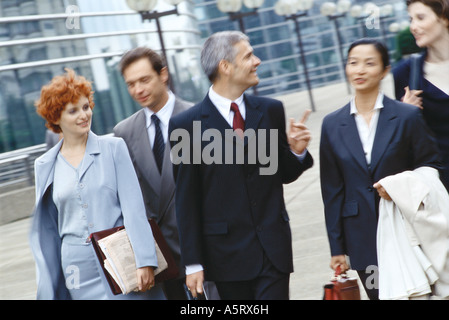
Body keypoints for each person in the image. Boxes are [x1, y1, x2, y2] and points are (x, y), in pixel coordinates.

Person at [168, 31, 314, 300]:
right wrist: (193, 263)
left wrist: (296, 152)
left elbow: (280, 173)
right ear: (225, 66)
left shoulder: (270, 110)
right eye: (248, 56)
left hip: (273, 251)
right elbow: (186, 200)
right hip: (226, 258)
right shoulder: (185, 127)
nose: (257, 61)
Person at [319, 38, 441, 300]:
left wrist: (399, 185)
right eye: (353, 63)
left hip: (407, 231)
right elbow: (332, 191)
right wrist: (336, 248)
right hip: (362, 239)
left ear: (385, 70)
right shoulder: (331, 125)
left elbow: (431, 165)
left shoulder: (406, 116)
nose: (360, 70)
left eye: (369, 63)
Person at [29, 68, 166, 300]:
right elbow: (48, 226)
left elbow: (134, 209)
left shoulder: (114, 148)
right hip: (75, 268)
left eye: (86, 107)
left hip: (119, 257)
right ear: (55, 118)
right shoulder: (44, 164)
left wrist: (145, 260)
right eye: (73, 111)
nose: (84, 115)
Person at [113, 47, 210, 299]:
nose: (138, 90)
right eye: (131, 84)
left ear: (163, 75)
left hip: (202, 251)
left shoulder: (199, 118)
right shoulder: (124, 132)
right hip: (159, 260)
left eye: (144, 80)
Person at [392, 0, 449, 191]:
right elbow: (401, 142)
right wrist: (405, 114)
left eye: (420, 18)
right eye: (411, 19)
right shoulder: (405, 74)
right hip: (441, 188)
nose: (413, 27)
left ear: (444, 18)